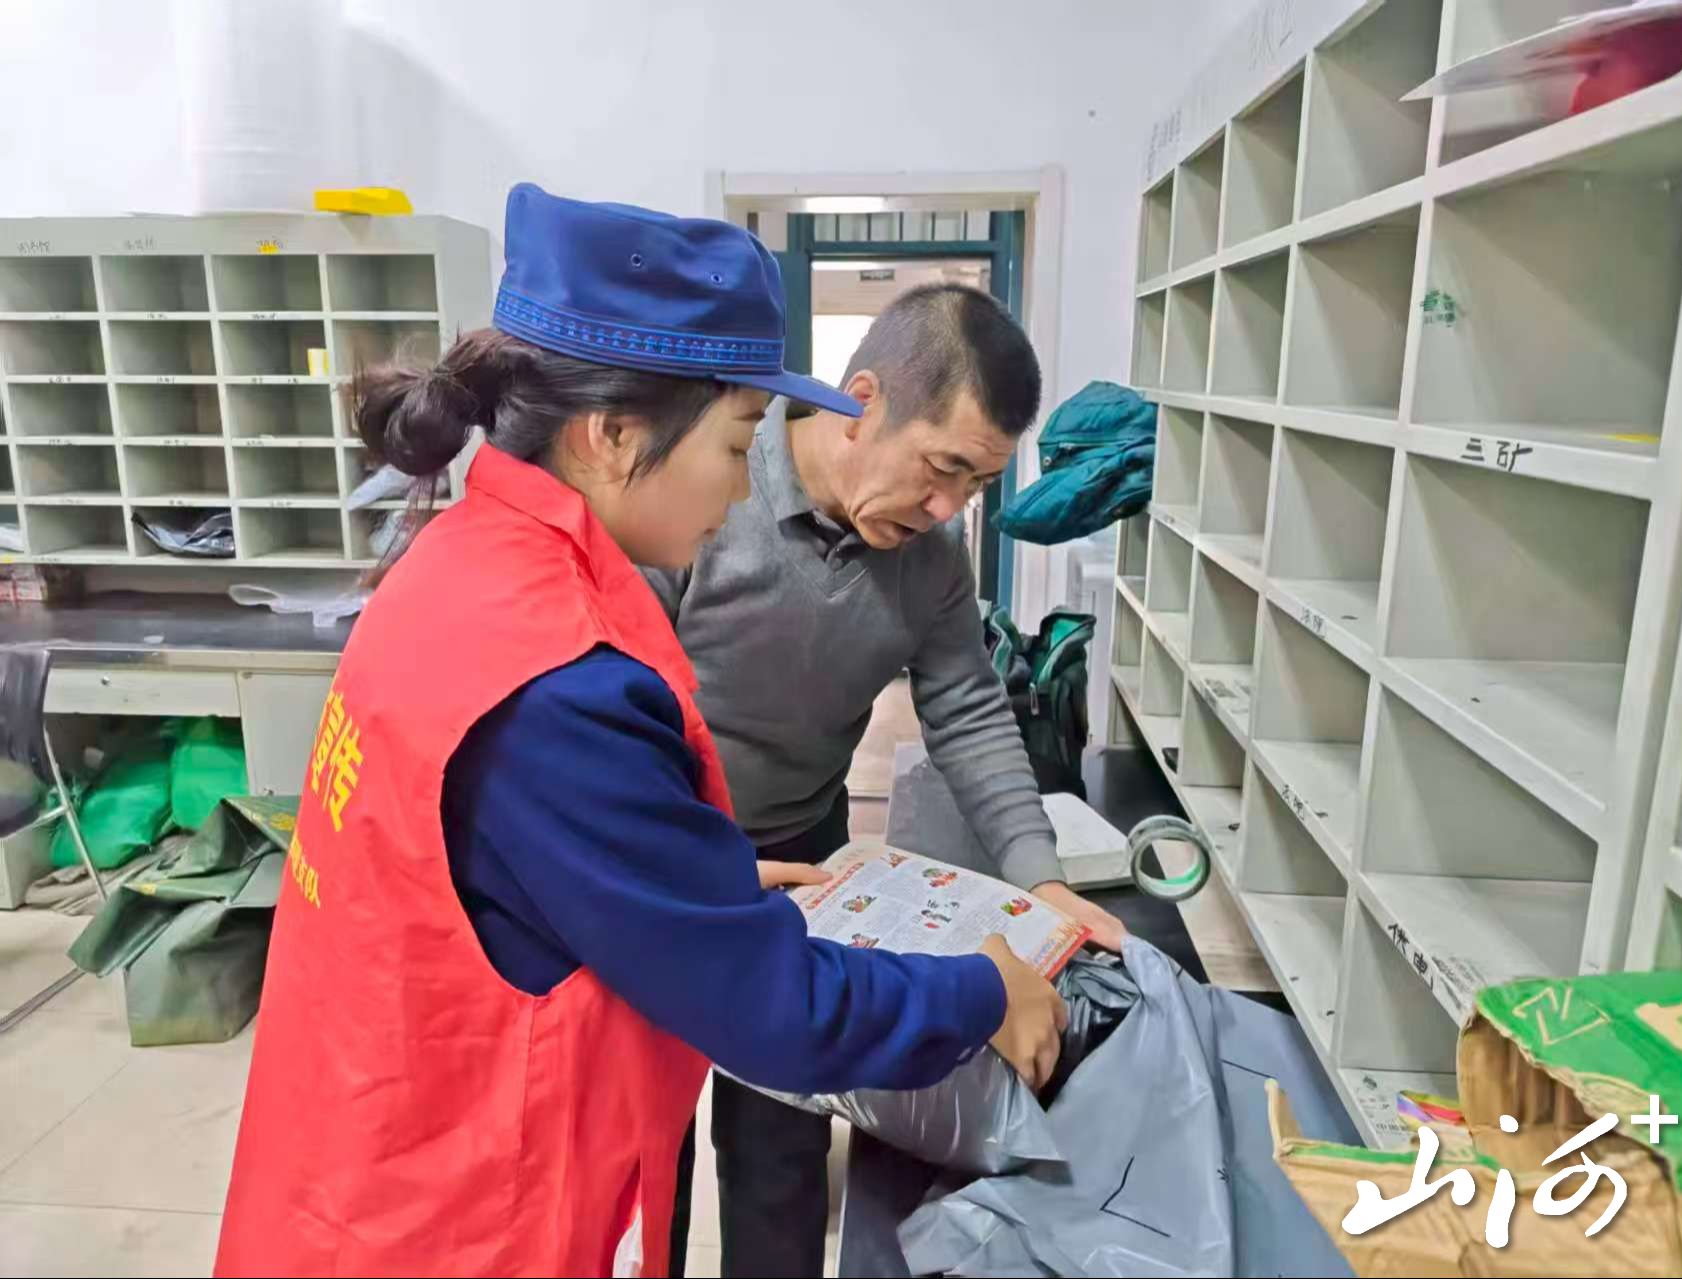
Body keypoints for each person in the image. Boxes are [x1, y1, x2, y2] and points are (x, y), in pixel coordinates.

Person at [213, 184, 1067, 1279]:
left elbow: (527, 864)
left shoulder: (461, 564)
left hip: (369, 1141)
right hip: (454, 1210)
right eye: (735, 443)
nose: (737, 489)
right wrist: (984, 990)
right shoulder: (562, 679)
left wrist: (678, 876)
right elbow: (770, 1005)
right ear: (613, 436)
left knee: (763, 1157)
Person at [648, 282, 1132, 1277]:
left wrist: (1041, 881)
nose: (948, 508)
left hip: (804, 853)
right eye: (941, 468)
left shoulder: (932, 560)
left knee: (780, 1136)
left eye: (975, 485)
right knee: (646, 1133)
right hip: (668, 854)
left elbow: (968, 712)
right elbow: (619, 696)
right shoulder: (709, 492)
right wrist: (679, 868)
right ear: (861, 402)